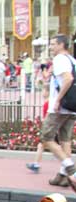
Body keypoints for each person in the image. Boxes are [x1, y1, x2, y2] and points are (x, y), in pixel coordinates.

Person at [40, 34, 76, 190]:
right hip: (71, 108)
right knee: (65, 140)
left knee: (45, 137)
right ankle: (64, 176)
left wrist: (58, 99)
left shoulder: (60, 59)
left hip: (60, 107)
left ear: (62, 45)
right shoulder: (72, 60)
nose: (51, 47)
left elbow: (68, 79)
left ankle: (70, 167)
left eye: (53, 44)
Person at [26, 84, 50, 172]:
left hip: (49, 127)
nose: (42, 92)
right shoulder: (48, 102)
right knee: (41, 146)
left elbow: (48, 117)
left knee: (44, 146)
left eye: (43, 90)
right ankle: (36, 164)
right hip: (50, 127)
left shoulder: (48, 103)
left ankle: (67, 166)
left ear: (48, 92)